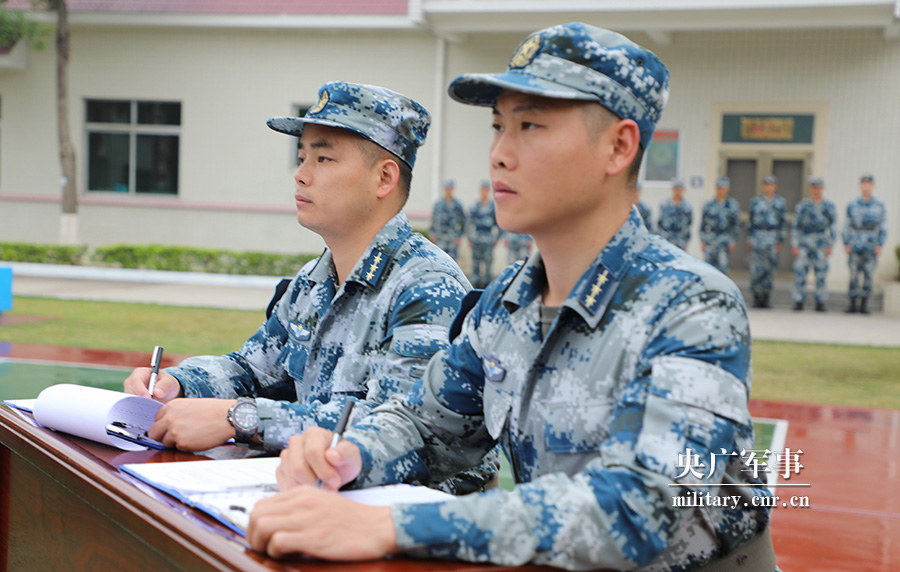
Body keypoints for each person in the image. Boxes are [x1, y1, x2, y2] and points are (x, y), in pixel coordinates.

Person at [248, 23, 776, 572]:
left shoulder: (690, 305)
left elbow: (638, 506)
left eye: (530, 126)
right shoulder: (510, 300)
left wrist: (391, 525)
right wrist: (347, 455)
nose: (499, 153)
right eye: (499, 126)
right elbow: (428, 425)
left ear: (619, 147)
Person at [123, 81, 496, 494]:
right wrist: (177, 383)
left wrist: (240, 418)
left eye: (323, 158)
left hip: (412, 518)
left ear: (384, 178)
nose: (300, 175)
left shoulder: (427, 288)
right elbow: (252, 369)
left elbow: (394, 429)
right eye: (302, 158)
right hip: (324, 497)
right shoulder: (313, 281)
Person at [842, 174, 887, 314]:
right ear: (860, 186)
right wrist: (846, 242)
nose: (866, 187)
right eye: (863, 184)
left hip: (871, 244)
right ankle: (852, 304)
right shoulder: (852, 204)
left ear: (872, 186)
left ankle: (864, 305)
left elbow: (883, 226)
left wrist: (879, 244)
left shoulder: (879, 205)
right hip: (855, 244)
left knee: (868, 275)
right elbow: (846, 225)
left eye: (868, 184)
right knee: (854, 275)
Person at [791, 177, 837, 312]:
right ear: (810, 188)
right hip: (805, 242)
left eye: (818, 187)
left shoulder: (829, 206)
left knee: (821, 273)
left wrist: (830, 244)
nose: (816, 190)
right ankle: (799, 300)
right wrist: (795, 244)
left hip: (821, 242)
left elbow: (833, 226)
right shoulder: (803, 206)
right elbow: (796, 226)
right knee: (800, 272)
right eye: (813, 187)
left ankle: (820, 301)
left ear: (822, 188)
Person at [747, 174, 787, 308]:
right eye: (766, 185)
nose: (768, 188)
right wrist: (750, 238)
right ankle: (756, 297)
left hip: (772, 238)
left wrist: (780, 239)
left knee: (769, 270)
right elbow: (750, 222)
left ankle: (766, 298)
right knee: (756, 270)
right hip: (757, 238)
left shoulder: (780, 203)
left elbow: (783, 222)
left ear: (775, 187)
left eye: (771, 185)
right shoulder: (755, 202)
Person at [700, 176, 741, 274]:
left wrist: (732, 241)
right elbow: (702, 225)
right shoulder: (708, 205)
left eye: (723, 188)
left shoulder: (733, 205)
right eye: (719, 188)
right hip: (710, 240)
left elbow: (735, 225)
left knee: (723, 268)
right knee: (708, 269)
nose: (721, 191)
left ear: (728, 189)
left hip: (724, 240)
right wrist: (703, 240)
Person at [467, 179, 501, 288]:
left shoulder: (493, 207)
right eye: (482, 189)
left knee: (488, 267)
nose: (484, 192)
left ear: (488, 191)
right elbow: (469, 223)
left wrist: (497, 238)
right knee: (476, 266)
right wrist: (470, 238)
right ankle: (475, 288)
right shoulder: (475, 206)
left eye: (486, 189)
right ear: (480, 191)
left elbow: (499, 223)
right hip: (477, 239)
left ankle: (486, 288)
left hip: (488, 239)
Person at [430, 179, 467, 260]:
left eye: (450, 188)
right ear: (444, 189)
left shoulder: (457, 205)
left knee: (452, 261)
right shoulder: (438, 204)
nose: (448, 191)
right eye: (446, 188)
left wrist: (459, 236)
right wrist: (433, 234)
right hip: (440, 238)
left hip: (452, 238)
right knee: (439, 260)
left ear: (453, 189)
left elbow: (463, 221)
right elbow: (433, 220)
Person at [657, 178, 692, 249]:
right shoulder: (665, 205)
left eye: (679, 189)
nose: (677, 191)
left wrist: (685, 243)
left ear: (683, 190)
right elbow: (659, 224)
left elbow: (688, 226)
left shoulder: (687, 208)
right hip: (666, 241)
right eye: (675, 189)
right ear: (672, 190)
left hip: (680, 242)